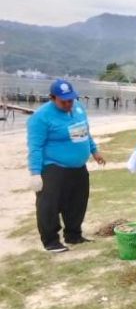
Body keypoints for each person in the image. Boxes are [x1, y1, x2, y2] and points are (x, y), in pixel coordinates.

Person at [27, 79, 106, 252]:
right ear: (52, 98)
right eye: (64, 101)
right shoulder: (40, 118)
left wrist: (94, 151)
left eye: (71, 99)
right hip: (54, 167)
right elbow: (35, 147)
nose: (68, 104)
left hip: (78, 167)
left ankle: (73, 235)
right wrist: (34, 173)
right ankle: (51, 241)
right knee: (49, 205)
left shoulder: (78, 107)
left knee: (77, 202)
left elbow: (85, 131)